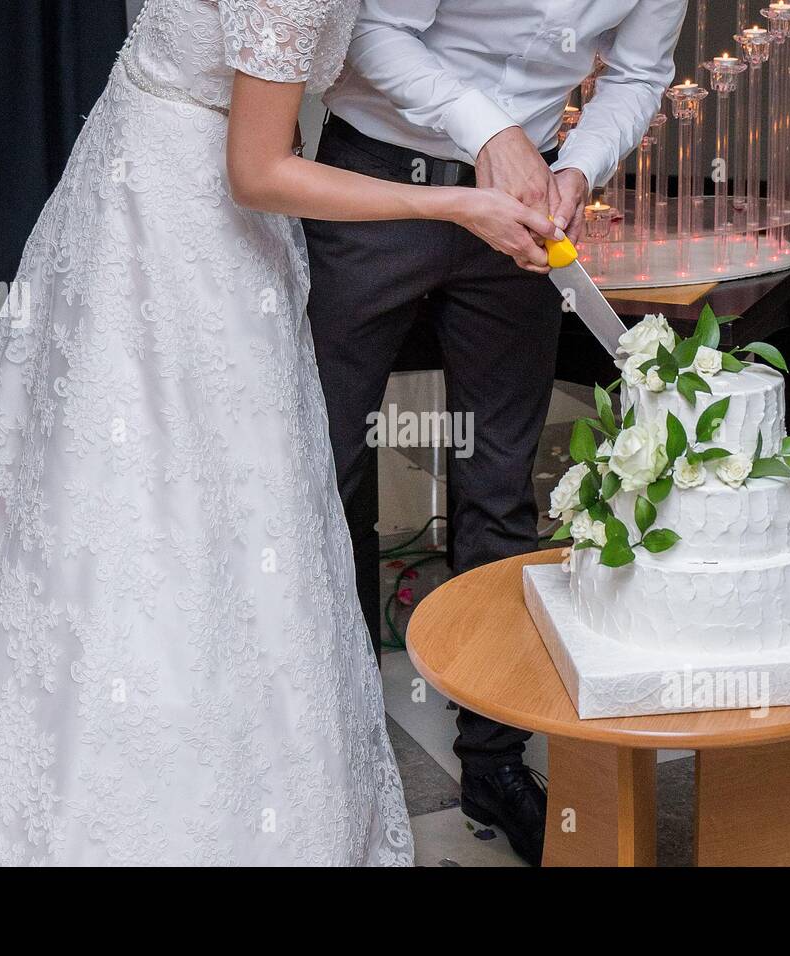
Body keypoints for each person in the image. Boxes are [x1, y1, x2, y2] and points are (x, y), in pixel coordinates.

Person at [0, 0, 561, 866]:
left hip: (148, 185)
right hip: (188, 221)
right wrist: (455, 206)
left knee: (121, 493)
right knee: (177, 505)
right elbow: (257, 172)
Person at [304, 0, 687, 865]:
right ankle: (331, 747)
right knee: (328, 469)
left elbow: (637, 73)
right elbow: (367, 27)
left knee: (501, 481)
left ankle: (495, 760)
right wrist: (487, 129)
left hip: (529, 208)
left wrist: (576, 170)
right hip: (379, 184)